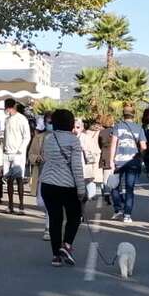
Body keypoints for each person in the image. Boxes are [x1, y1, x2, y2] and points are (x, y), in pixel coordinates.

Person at [39, 108, 86, 267]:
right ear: (71, 123)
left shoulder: (49, 139)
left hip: (47, 183)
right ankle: (66, 245)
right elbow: (77, 167)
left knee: (55, 219)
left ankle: (56, 256)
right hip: (66, 185)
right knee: (75, 216)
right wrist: (81, 189)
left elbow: (46, 158)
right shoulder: (73, 140)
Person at [109, 105, 147, 224]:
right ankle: (127, 215)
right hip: (133, 162)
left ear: (123, 115)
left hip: (119, 161)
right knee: (130, 189)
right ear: (133, 115)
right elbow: (143, 147)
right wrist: (140, 157)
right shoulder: (139, 128)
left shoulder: (118, 126)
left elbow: (113, 144)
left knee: (115, 185)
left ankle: (118, 208)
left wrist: (111, 160)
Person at [3, 98, 31, 214]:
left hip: (18, 154)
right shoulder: (7, 120)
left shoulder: (22, 119)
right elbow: (6, 136)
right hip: (7, 152)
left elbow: (27, 136)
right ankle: (10, 205)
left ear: (12, 107)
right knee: (9, 180)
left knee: (19, 179)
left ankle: (21, 205)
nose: (7, 110)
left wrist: (20, 149)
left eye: (8, 108)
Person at [28, 114, 53, 240]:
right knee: (41, 203)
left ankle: (48, 228)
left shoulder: (59, 137)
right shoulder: (38, 138)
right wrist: (37, 158)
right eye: (48, 122)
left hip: (56, 176)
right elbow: (31, 154)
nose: (50, 124)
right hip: (41, 174)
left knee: (51, 203)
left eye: (52, 122)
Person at [98, 116, 114, 203]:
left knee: (106, 176)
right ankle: (115, 193)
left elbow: (99, 145)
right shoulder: (115, 131)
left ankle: (106, 193)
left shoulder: (101, 132)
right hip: (114, 155)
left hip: (105, 155)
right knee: (114, 175)